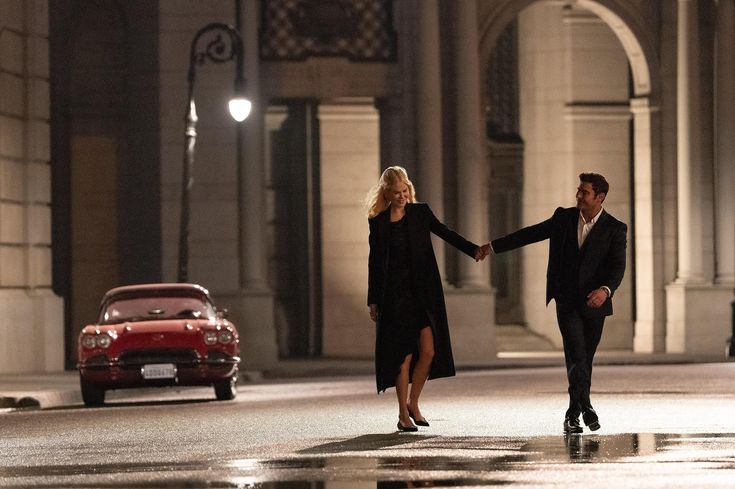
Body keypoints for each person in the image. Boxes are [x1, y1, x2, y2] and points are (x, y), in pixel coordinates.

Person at [478, 172, 627, 434]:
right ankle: (586, 407)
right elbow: (529, 234)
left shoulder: (616, 228)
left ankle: (573, 413)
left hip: (596, 304)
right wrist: (492, 247)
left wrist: (605, 290)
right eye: (578, 190)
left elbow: (617, 268)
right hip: (566, 300)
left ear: (600, 197)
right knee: (576, 352)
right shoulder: (563, 218)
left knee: (584, 358)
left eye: (584, 192)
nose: (578, 195)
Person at [366, 166, 486, 432]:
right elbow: (374, 264)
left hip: (423, 293)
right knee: (403, 357)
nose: (402, 196)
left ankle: (414, 402)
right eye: (396, 192)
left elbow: (445, 232)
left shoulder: (420, 213)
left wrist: (473, 250)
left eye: (405, 190)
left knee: (429, 352)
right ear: (387, 193)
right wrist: (373, 301)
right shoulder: (378, 223)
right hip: (394, 298)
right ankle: (402, 414)